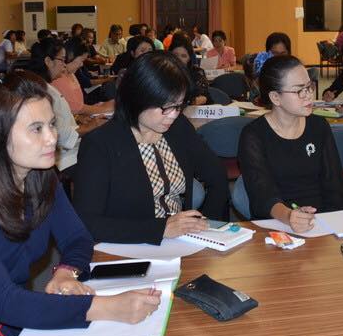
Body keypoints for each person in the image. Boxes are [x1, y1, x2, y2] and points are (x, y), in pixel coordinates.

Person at [0, 72, 162, 336]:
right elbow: (4, 301)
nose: (52, 138)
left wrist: (66, 272)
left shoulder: (42, 178)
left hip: (16, 310)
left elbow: (77, 238)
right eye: (36, 129)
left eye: (52, 124)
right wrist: (107, 308)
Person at [69, 52, 229, 244]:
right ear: (138, 98)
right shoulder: (100, 145)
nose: (173, 115)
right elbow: (87, 221)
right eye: (165, 107)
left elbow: (216, 175)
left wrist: (207, 226)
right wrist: (161, 229)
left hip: (180, 242)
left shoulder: (178, 127)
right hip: (127, 245)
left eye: (179, 106)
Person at [238, 55, 343, 231]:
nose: (309, 95)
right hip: (276, 224)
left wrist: (332, 226)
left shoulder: (319, 126)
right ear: (275, 97)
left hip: (321, 222)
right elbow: (262, 196)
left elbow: (335, 187)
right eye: (299, 91)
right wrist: (289, 216)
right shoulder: (254, 135)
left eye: (309, 87)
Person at [30, 38, 105, 170]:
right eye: (62, 60)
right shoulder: (44, 92)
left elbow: (59, 119)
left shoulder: (45, 86)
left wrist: (77, 119)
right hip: (65, 159)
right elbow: (62, 136)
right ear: (48, 61)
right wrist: (92, 125)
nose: (64, 65)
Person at [168, 35, 211, 105]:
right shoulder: (163, 73)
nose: (179, 59)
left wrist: (203, 99)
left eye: (183, 56)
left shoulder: (197, 73)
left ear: (189, 58)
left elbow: (207, 98)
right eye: (175, 55)